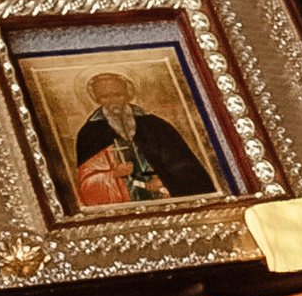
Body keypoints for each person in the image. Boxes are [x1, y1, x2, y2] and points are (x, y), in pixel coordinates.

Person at [72, 69, 216, 207]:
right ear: (97, 99)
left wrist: (163, 179)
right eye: (105, 97)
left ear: (128, 94)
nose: (113, 101)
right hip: (124, 202)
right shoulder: (90, 132)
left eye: (118, 95)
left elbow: (183, 164)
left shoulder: (155, 125)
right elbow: (87, 182)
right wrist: (113, 174)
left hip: (164, 197)